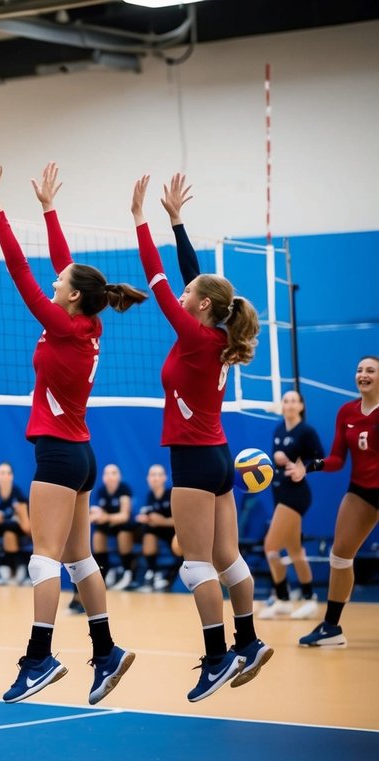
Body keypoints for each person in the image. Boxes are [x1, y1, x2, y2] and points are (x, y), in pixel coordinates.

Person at [0, 156, 141, 705]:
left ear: (70, 297)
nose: (55, 280)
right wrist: (49, 210)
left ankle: (40, 658)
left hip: (60, 455)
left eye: (61, 284)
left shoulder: (64, 324)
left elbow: (22, 271)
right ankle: (107, 650)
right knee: (79, 560)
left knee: (43, 559)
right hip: (81, 453)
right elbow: (66, 265)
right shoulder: (87, 321)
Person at [133, 172, 271, 702]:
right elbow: (198, 279)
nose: (183, 291)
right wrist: (177, 221)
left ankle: (216, 659)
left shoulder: (194, 332)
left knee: (195, 566)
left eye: (190, 293)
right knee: (228, 559)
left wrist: (141, 221)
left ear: (202, 306)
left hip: (194, 459)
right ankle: (249, 640)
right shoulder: (213, 332)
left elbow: (159, 276)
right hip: (216, 455)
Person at [283, 356, 379, 648]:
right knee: (339, 556)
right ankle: (331, 628)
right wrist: (308, 467)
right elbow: (337, 459)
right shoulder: (346, 411)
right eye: (359, 370)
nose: (363, 375)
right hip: (361, 491)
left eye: (370, 371)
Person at [260, 389, 324, 619]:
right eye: (285, 400)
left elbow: (320, 458)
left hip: (296, 495)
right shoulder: (278, 429)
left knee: (270, 546)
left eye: (293, 401)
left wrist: (303, 468)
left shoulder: (306, 431)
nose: (288, 404)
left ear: (301, 406)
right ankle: (306, 599)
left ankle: (284, 597)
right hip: (280, 492)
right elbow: (279, 462)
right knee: (296, 551)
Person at [134, 464, 182, 591]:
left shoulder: (171, 493)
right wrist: (146, 519)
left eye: (159, 475)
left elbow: (182, 520)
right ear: (148, 478)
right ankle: (152, 572)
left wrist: (163, 521)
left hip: (174, 531)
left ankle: (169, 578)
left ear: (165, 478)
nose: (155, 478)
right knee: (147, 531)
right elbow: (151, 516)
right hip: (158, 531)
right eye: (152, 475)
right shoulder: (150, 496)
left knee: (180, 550)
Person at [90, 464, 136, 590]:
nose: (110, 476)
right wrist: (94, 517)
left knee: (123, 534)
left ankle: (128, 573)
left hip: (123, 525)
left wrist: (106, 517)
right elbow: (99, 513)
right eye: (107, 473)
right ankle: (103, 572)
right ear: (103, 477)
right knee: (98, 535)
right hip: (108, 525)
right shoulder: (101, 491)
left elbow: (124, 516)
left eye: (114, 473)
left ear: (119, 476)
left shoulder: (124, 489)